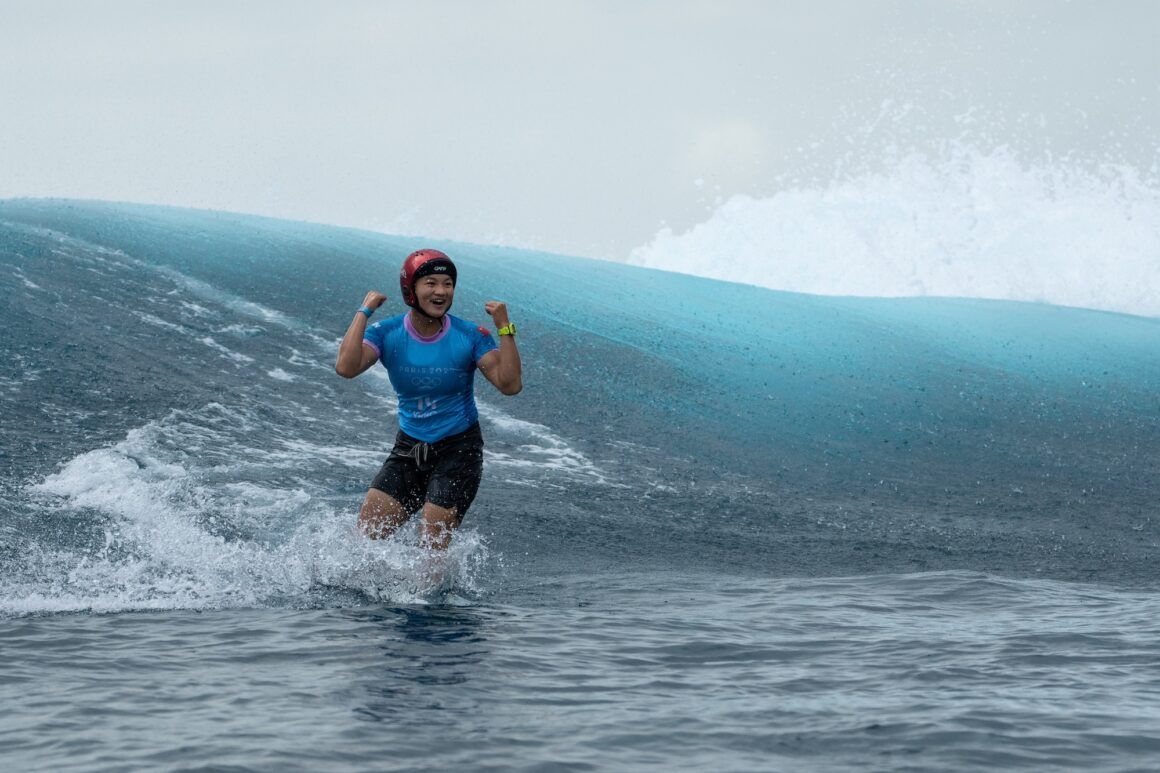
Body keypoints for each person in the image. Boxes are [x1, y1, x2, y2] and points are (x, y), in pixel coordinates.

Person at [335, 248, 522, 549]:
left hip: (458, 451)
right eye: (431, 283)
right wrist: (364, 311)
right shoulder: (388, 332)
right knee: (364, 538)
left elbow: (510, 384)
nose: (441, 291)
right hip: (409, 449)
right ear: (411, 289)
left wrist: (504, 327)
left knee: (432, 551)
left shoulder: (470, 335)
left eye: (448, 283)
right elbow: (346, 367)